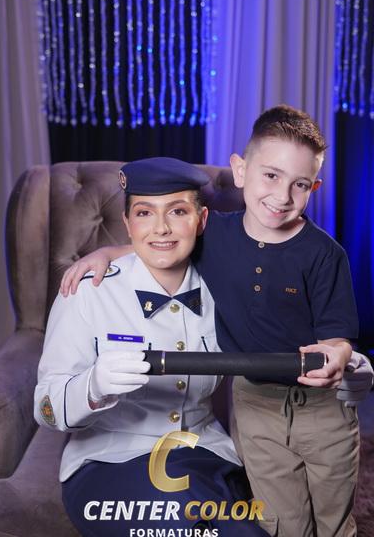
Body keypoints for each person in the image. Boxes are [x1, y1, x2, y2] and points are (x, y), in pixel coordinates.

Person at [60, 105, 374, 537]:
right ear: (240, 171)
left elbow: (338, 336)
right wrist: (106, 252)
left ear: (314, 187)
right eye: (271, 176)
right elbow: (164, 241)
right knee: (280, 523)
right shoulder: (214, 237)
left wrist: (342, 356)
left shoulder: (325, 254)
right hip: (255, 406)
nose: (282, 196)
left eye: (299, 184)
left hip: (318, 407)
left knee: (333, 517)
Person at [34, 157, 268, 537]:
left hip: (204, 454)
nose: (161, 227)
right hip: (109, 462)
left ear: (201, 220)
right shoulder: (87, 292)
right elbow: (45, 409)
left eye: (177, 211)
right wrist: (91, 387)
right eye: (144, 213)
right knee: (181, 522)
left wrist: (337, 357)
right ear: (127, 224)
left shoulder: (227, 289)